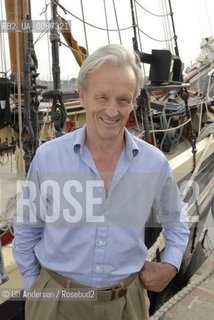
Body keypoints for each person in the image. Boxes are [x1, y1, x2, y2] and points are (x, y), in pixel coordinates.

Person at [13, 44, 190, 320]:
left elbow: (177, 221)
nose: (112, 110)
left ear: (133, 102)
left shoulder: (153, 164)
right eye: (102, 97)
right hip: (56, 304)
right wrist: (35, 290)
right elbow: (26, 231)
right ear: (83, 96)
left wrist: (170, 264)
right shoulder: (49, 159)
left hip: (126, 305)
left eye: (123, 99)